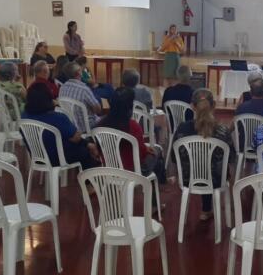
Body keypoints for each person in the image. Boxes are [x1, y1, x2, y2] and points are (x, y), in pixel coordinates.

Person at [172, 89, 234, 221]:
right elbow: (231, 157)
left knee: (202, 165)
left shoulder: (182, 129)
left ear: (192, 106)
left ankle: (205, 210)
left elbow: (173, 157)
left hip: (188, 178)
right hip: (216, 179)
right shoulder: (223, 130)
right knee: (212, 166)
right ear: (214, 105)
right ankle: (206, 210)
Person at [22, 83, 99, 170]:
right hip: (58, 158)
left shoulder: (24, 116)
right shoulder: (58, 118)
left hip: (37, 157)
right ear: (48, 99)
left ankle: (90, 147)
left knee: (84, 144)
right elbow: (75, 138)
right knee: (84, 151)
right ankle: (89, 179)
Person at [94, 87, 162, 179]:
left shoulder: (99, 125)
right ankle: (158, 185)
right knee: (157, 151)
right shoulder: (133, 126)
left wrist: (145, 148)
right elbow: (140, 154)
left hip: (109, 170)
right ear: (130, 107)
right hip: (133, 172)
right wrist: (146, 149)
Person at [58, 62, 102, 133]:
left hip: (71, 126)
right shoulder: (84, 89)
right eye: (81, 70)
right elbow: (98, 110)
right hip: (87, 127)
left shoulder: (62, 87)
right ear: (78, 73)